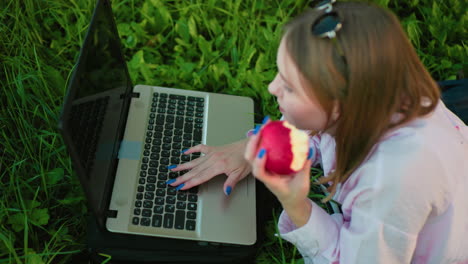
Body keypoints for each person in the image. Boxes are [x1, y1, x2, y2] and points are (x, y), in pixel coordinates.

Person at [166, 1, 468, 263]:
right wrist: (255, 148)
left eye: (289, 86)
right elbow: (319, 128)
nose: (272, 88)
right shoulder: (386, 90)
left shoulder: (390, 183)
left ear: (339, 106)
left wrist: (295, 204)